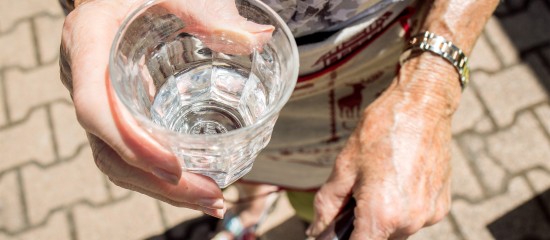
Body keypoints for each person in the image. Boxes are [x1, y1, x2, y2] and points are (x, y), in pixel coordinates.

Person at [58, 0, 499, 239]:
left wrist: (428, 89)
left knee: (326, 183)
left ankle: (290, 208)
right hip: (175, 44)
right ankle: (251, 203)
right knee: (230, 166)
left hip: (371, 54)